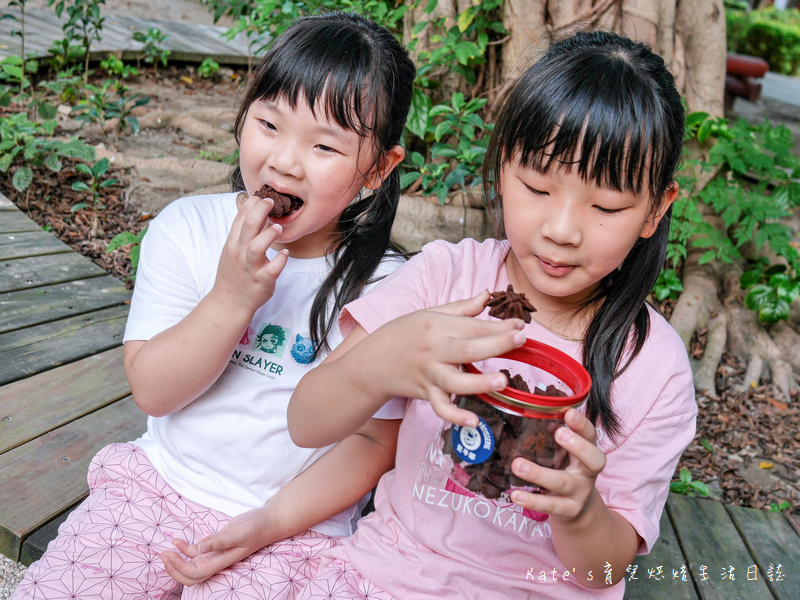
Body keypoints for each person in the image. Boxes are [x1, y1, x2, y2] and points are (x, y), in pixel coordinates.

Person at [11, 12, 415, 600]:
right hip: (157, 488)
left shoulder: (386, 288)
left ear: (378, 169)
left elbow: (375, 443)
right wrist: (231, 297)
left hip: (295, 527)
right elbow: (154, 391)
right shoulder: (188, 230)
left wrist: (270, 522)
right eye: (269, 123)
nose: (283, 161)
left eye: (325, 145)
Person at [287, 30, 698, 599]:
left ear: (655, 209)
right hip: (382, 573)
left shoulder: (655, 368)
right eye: (535, 187)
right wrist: (383, 358)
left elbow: (603, 573)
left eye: (606, 206)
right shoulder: (443, 279)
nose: (562, 230)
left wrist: (581, 512)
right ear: (503, 168)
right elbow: (307, 423)